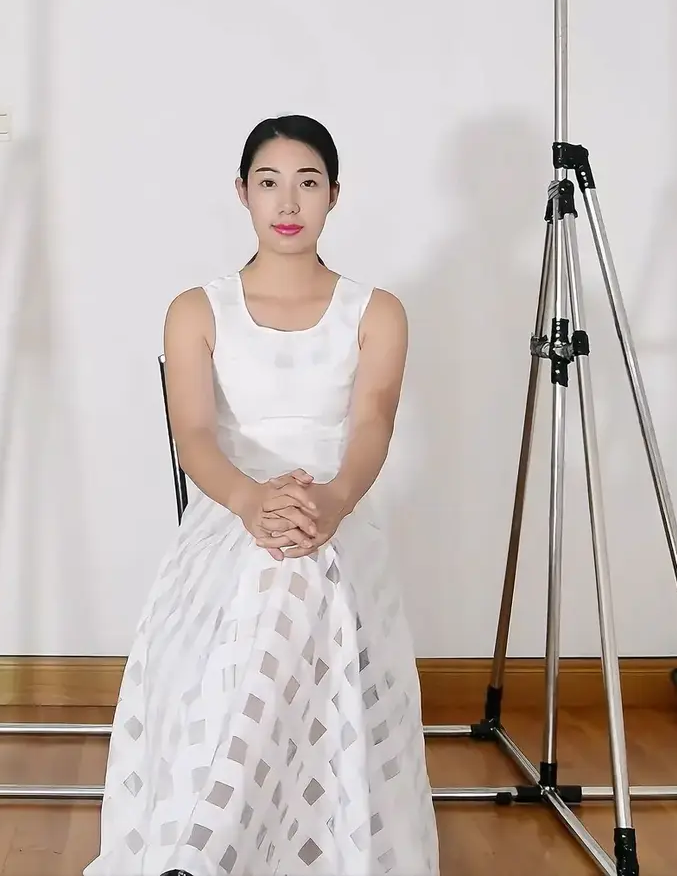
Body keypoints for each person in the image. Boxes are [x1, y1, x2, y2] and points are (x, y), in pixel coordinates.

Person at [85, 115, 439, 876]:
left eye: (308, 183)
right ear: (242, 193)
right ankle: (219, 846)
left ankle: (202, 849)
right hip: (227, 513)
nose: (288, 201)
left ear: (334, 195)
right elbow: (193, 437)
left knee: (298, 566)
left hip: (337, 511)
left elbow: (372, 423)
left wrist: (331, 502)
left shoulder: (375, 310)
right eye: (269, 183)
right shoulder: (196, 308)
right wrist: (252, 504)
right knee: (281, 570)